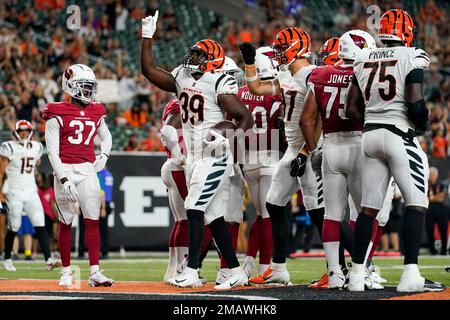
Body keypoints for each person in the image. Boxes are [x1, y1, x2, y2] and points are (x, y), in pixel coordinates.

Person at [141, 11, 253, 290]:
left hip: (214, 157)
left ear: (212, 62)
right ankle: (235, 270)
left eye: (200, 56)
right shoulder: (181, 76)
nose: (193, 59)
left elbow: (245, 117)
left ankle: (191, 269)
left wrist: (228, 139)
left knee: (193, 207)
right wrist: (146, 37)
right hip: (192, 157)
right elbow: (149, 71)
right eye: (194, 54)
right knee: (212, 216)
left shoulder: (218, 82)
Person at [345, 9, 444, 292]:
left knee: (368, 209)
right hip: (398, 133)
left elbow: (351, 108)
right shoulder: (411, 55)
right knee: (416, 202)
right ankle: (410, 274)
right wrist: (422, 123)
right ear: (406, 32)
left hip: (369, 135)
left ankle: (357, 276)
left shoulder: (363, 57)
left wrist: (375, 114)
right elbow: (414, 103)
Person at [239, 27, 324, 286]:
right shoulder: (287, 75)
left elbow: (318, 118)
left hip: (308, 150)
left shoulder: (314, 75)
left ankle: (339, 269)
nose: (277, 54)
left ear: (297, 47)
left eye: (280, 48)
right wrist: (250, 63)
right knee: (274, 205)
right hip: (291, 151)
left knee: (319, 212)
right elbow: (255, 86)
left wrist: (306, 151)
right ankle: (278, 267)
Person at [300, 30, 377, 289]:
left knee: (332, 215)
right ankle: (361, 271)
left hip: (331, 146)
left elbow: (306, 119)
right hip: (358, 145)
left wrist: (313, 152)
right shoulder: (364, 72)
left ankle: (334, 274)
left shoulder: (320, 74)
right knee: (367, 212)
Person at [42, 63, 114, 287]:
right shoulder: (56, 111)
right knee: (66, 222)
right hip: (64, 168)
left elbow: (107, 136)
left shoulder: (96, 110)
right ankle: (65, 271)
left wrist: (105, 154)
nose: (89, 91)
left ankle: (95, 272)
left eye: (90, 86)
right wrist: (63, 179)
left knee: (92, 220)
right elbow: (52, 151)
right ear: (70, 86)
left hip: (87, 169)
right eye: (84, 86)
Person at [238, 46, 283, 279]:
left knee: (258, 214)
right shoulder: (277, 91)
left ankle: (248, 261)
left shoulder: (242, 91)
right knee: (268, 216)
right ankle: (265, 266)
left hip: (247, 159)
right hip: (270, 157)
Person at [0, 120, 60, 271]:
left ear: (30, 132)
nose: (24, 133)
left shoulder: (37, 147)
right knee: (14, 226)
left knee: (40, 224)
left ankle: (48, 260)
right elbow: (1, 172)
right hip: (14, 191)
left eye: (26, 130)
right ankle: (7, 258)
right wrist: (1, 192)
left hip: (31, 191)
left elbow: (34, 165)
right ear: (16, 133)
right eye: (21, 131)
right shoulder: (9, 147)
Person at [159, 98, 189, 283]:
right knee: (185, 220)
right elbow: (168, 130)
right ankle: (180, 269)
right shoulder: (181, 103)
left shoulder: (173, 103)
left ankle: (172, 268)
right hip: (178, 165)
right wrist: (179, 155)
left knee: (180, 221)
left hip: (171, 164)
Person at [426, 167, 448, 255]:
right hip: (429, 210)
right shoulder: (425, 185)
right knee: (429, 229)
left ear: (436, 175)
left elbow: (441, 198)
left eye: (433, 174)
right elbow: (424, 198)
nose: (431, 176)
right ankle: (432, 249)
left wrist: (430, 198)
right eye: (430, 174)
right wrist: (434, 198)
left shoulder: (441, 185)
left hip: (440, 210)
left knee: (443, 229)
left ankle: (444, 249)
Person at [37, 172, 59, 258]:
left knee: (52, 235)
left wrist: (56, 215)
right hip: (40, 215)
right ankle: (39, 251)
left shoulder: (50, 190)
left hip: (50, 216)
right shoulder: (37, 190)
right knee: (40, 235)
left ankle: (53, 251)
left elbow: (53, 204)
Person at [97, 167, 113, 259]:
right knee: (104, 230)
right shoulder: (109, 174)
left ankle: (102, 251)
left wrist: (102, 207)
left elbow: (102, 191)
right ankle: (104, 252)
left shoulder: (100, 174)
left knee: (100, 229)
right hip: (107, 202)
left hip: (101, 202)